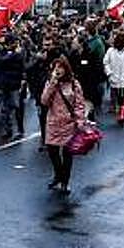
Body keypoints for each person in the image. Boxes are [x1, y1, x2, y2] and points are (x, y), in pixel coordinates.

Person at [41, 56, 86, 194]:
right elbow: (44, 101)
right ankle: (58, 175)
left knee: (67, 154)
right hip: (53, 123)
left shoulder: (74, 84)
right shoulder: (50, 83)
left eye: (60, 67)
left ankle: (65, 181)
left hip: (69, 124)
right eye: (56, 68)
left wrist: (79, 120)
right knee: (52, 151)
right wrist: (53, 82)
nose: (58, 70)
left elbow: (79, 104)